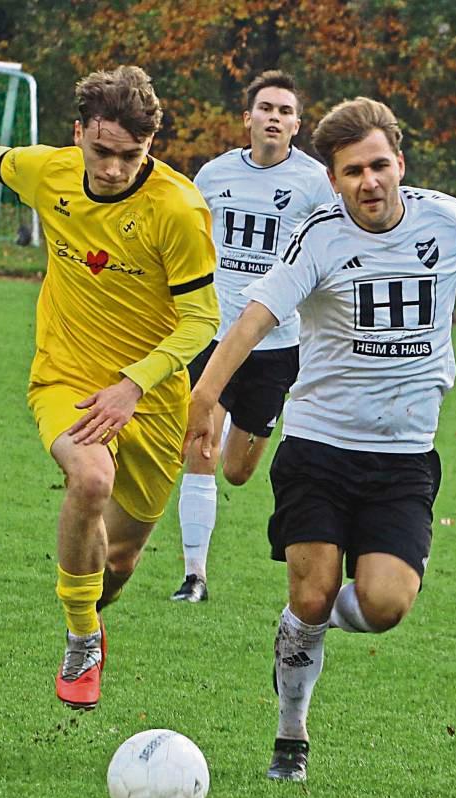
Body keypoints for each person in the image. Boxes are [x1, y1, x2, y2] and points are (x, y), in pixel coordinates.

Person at [183, 96, 456, 780]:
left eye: (378, 165)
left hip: (403, 458)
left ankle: (302, 633)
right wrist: (205, 392)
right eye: (351, 172)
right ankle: (291, 734)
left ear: (399, 162)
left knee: (386, 603)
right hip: (317, 447)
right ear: (334, 179)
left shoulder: (448, 221)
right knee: (310, 594)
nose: (368, 182)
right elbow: (256, 317)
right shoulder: (320, 235)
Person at [0, 65, 219, 711]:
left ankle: (93, 607)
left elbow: (203, 320)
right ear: (78, 135)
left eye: (132, 156)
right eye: (102, 151)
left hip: (149, 399)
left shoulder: (178, 210)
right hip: (64, 374)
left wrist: (133, 385)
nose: (115, 168)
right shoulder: (51, 171)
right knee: (89, 479)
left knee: (117, 563)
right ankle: (80, 636)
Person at [171, 70, 335, 603]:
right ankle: (194, 576)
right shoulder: (213, 175)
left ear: (297, 124)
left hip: (277, 344)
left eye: (285, 111)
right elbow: (187, 243)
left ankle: (250, 442)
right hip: (213, 335)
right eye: (266, 108)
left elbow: (331, 253)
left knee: (239, 470)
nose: (274, 117)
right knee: (201, 448)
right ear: (248, 118)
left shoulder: (315, 184)